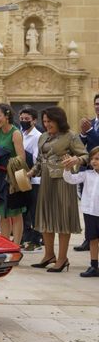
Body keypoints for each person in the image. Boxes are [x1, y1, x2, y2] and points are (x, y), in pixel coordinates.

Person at [29, 106, 88, 272]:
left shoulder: (70, 136)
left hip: (64, 181)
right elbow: (40, 161)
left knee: (62, 219)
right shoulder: (43, 137)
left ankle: (62, 259)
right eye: (45, 121)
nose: (47, 124)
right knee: (46, 217)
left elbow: (85, 155)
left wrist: (76, 160)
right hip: (46, 181)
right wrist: (30, 173)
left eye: (50, 121)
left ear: (58, 120)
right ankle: (49, 255)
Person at [0, 104, 27, 242]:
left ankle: (16, 247)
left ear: (7, 116)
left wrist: (5, 162)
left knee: (15, 214)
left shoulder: (16, 133)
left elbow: (21, 159)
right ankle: (5, 244)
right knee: (2, 214)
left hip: (11, 178)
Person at [63, 146, 99, 277]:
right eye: (92, 159)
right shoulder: (87, 174)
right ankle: (94, 266)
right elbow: (71, 179)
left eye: (98, 159)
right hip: (90, 213)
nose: (94, 161)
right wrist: (67, 169)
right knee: (92, 239)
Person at [76, 93, 99, 251]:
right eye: (96, 103)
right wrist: (83, 133)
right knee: (87, 205)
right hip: (88, 170)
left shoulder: (91, 126)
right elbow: (80, 145)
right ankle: (88, 238)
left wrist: (89, 131)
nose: (98, 106)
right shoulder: (90, 123)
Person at [19, 106, 43, 252]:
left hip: (34, 178)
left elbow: (37, 157)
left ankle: (36, 240)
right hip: (21, 177)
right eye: (21, 119)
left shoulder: (38, 136)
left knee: (34, 211)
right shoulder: (20, 133)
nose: (23, 121)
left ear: (34, 120)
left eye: (27, 119)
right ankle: (25, 237)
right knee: (23, 210)